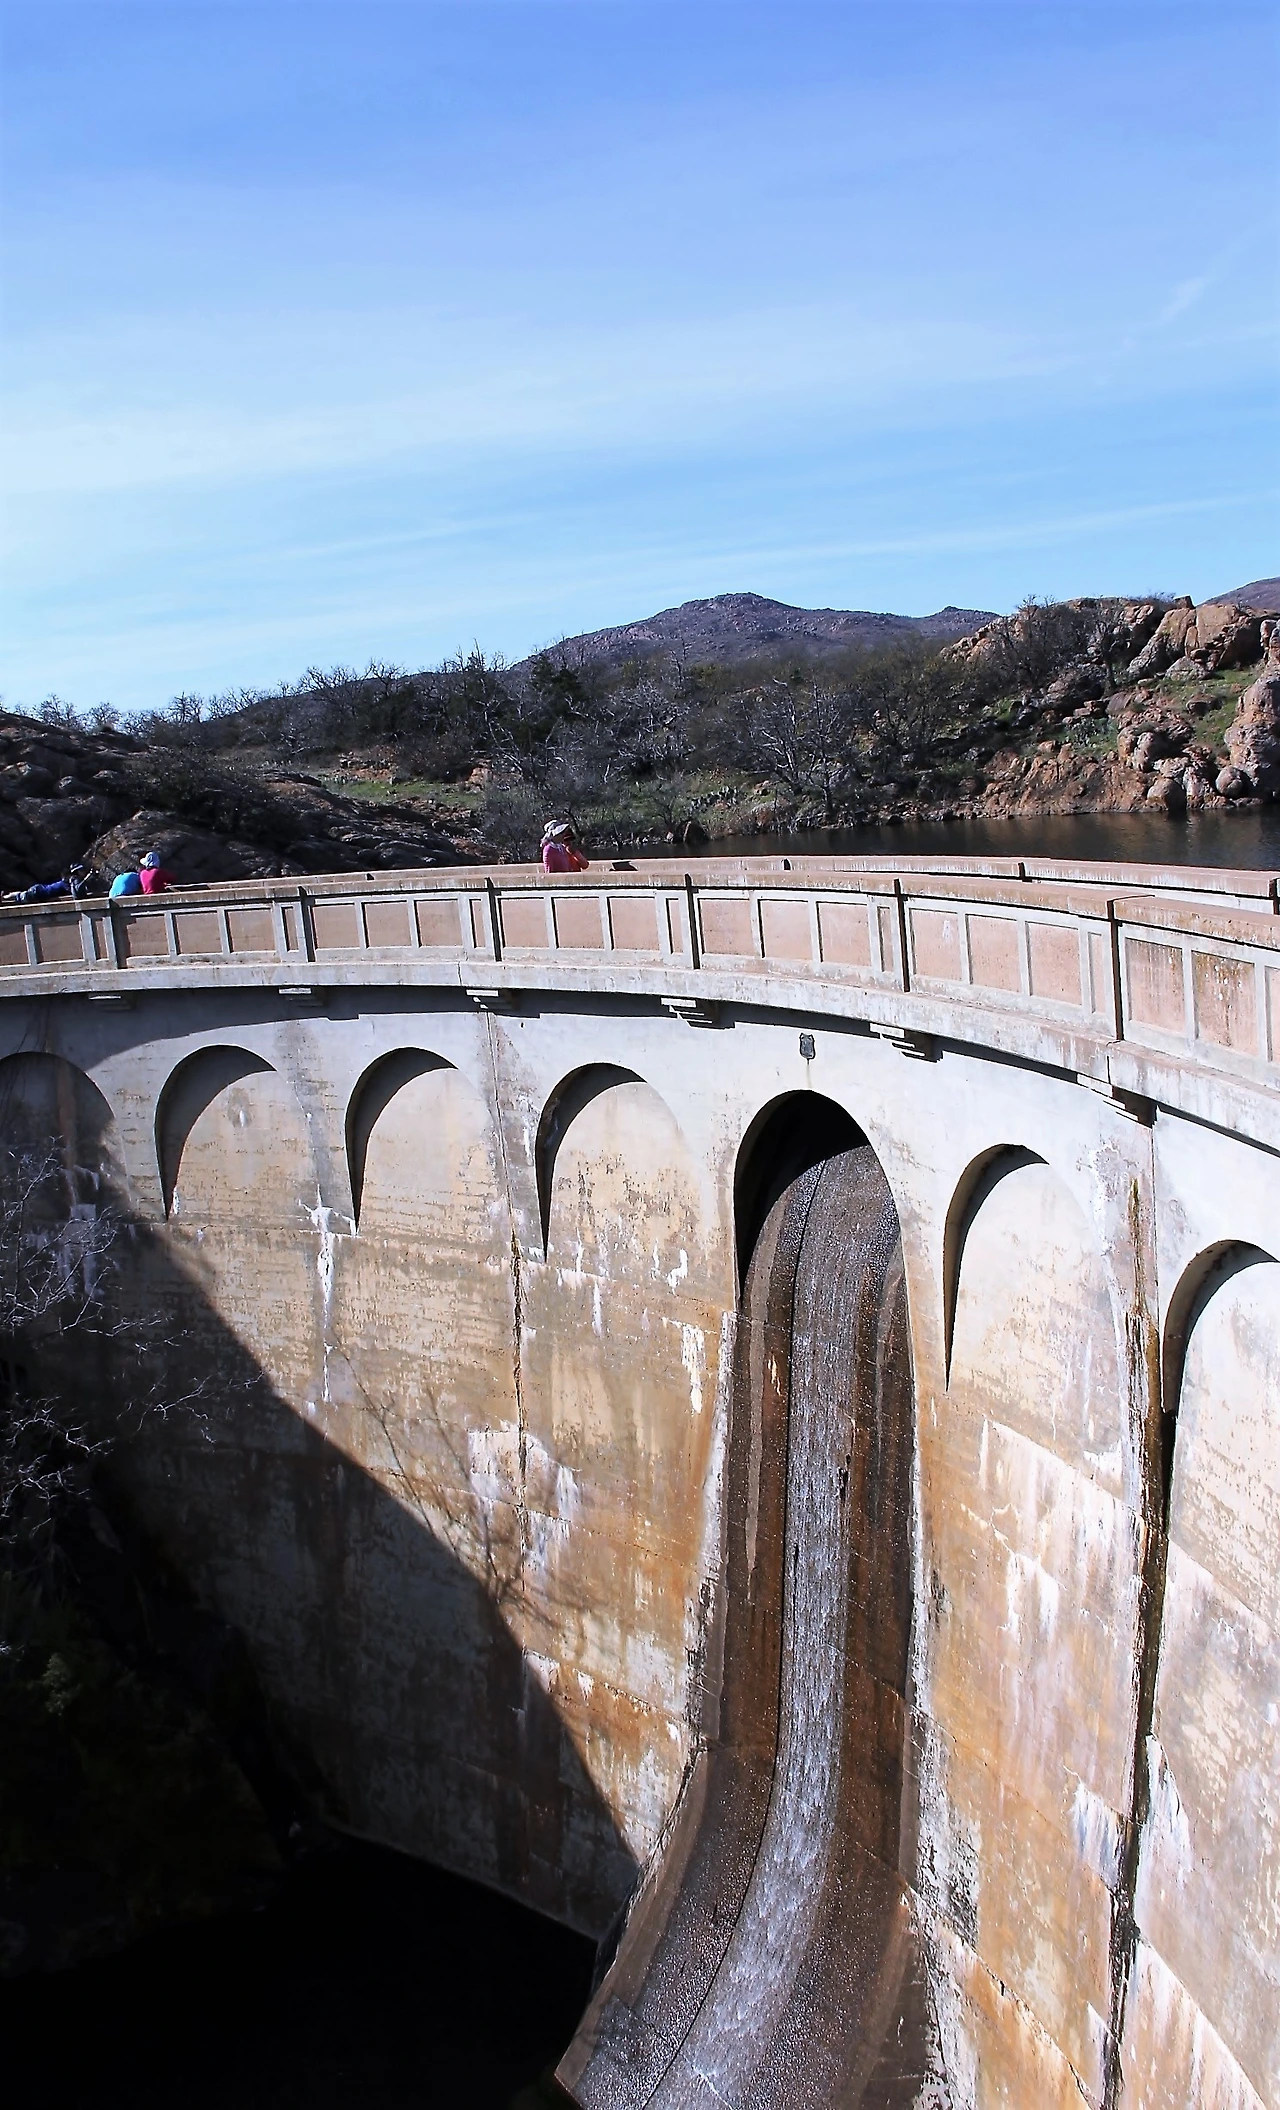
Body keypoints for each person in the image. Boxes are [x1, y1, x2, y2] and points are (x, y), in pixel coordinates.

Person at [3, 860, 102, 905]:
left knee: (20, 895)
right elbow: (77, 894)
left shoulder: (71, 880)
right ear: (77, 871)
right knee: (20, 897)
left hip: (39, 889)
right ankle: (4, 898)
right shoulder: (73, 879)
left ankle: (5, 897)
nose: (83, 872)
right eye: (82, 870)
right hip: (38, 893)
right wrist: (88, 878)